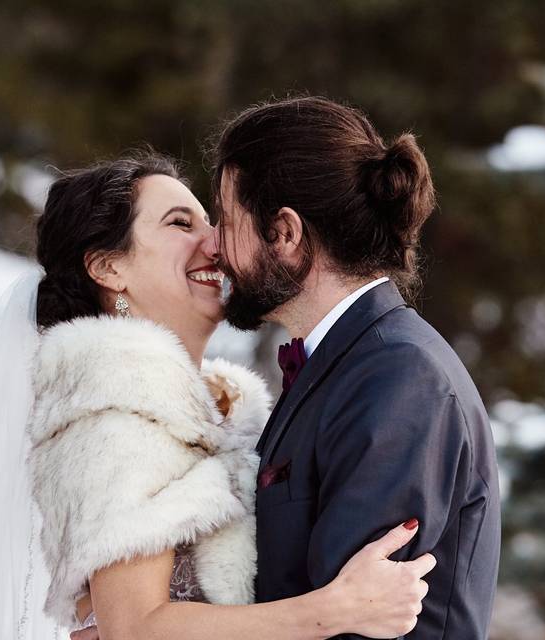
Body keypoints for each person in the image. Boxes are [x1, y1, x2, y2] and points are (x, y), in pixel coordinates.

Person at [0, 152, 435, 640]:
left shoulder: (208, 412)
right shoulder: (113, 417)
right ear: (108, 267)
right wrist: (332, 612)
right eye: (181, 224)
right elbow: (136, 628)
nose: (216, 242)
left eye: (210, 221)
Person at [209, 96, 502, 639]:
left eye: (226, 221)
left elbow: (352, 627)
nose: (213, 245)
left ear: (286, 233)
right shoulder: (348, 363)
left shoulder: (399, 377)